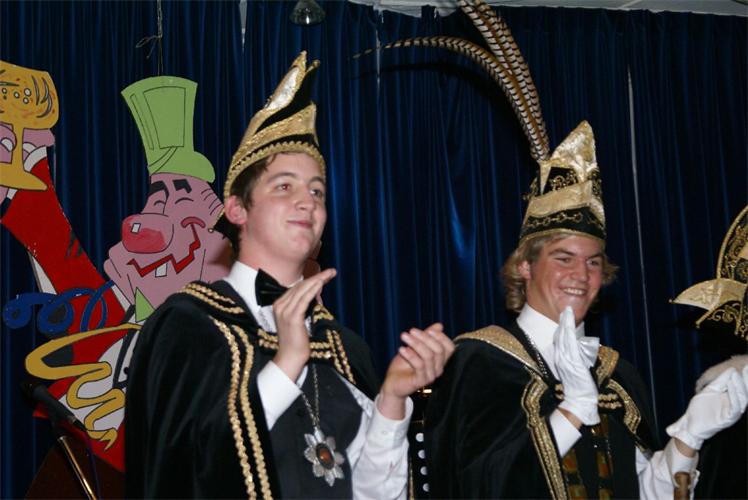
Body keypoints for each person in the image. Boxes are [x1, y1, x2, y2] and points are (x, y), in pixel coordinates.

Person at [125, 51, 454, 499]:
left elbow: (374, 494)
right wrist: (285, 364)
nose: (307, 201)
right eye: (284, 186)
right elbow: (182, 473)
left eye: (317, 191)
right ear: (236, 209)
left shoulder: (346, 348)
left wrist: (393, 399)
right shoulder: (187, 325)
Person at [425, 121, 748, 499]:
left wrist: (689, 436)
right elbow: (478, 487)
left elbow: (643, 492)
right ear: (525, 267)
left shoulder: (617, 373)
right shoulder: (478, 361)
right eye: (564, 258)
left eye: (594, 262)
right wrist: (573, 410)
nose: (581, 275)